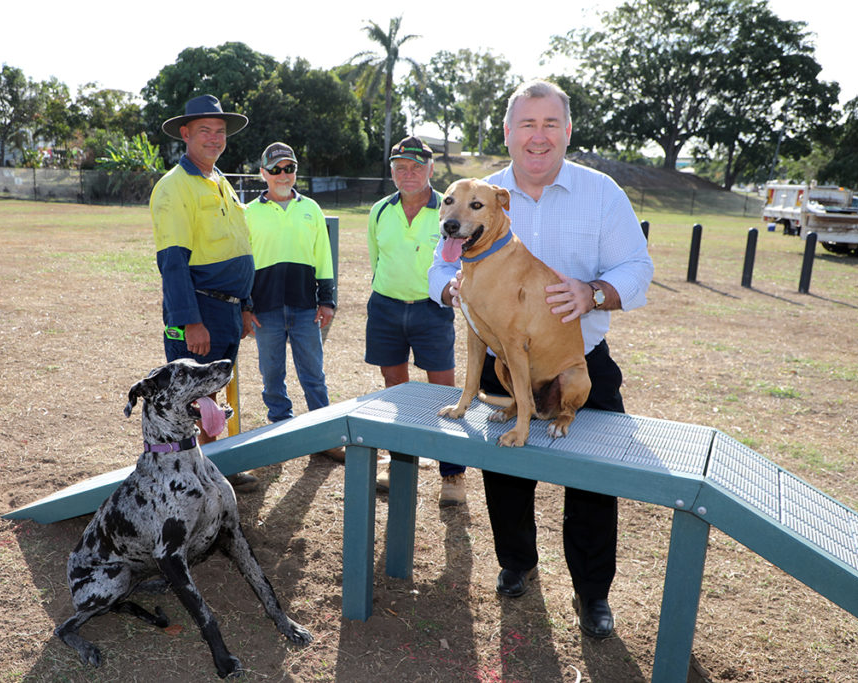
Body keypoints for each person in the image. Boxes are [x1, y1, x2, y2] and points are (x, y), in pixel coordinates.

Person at [428, 79, 654, 639]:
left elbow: (638, 268)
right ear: (508, 133)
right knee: (505, 473)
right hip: (507, 362)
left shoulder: (601, 192)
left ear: (567, 131)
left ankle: (593, 593)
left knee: (595, 484)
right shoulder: (476, 193)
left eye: (550, 124)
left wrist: (593, 292)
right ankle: (516, 564)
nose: (538, 136)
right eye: (526, 124)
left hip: (582, 359)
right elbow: (440, 265)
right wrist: (452, 288)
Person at [149, 94, 259, 492]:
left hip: (227, 311)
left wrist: (245, 305)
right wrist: (190, 321)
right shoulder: (174, 187)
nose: (214, 138)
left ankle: (219, 466)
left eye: (219, 131)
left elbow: (238, 245)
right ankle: (191, 478)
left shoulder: (221, 180)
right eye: (204, 131)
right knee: (194, 398)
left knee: (216, 393)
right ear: (185, 134)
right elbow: (173, 261)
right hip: (201, 310)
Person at [366, 135, 465, 507]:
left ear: (431, 169)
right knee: (394, 388)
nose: (408, 174)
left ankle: (452, 474)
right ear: (391, 170)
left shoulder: (448, 210)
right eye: (400, 167)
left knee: (444, 392)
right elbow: (378, 259)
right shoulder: (379, 210)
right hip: (386, 308)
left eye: (416, 167)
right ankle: (398, 463)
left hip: (431, 309)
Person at [244, 142, 344, 462]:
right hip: (265, 310)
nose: (282, 175)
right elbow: (243, 263)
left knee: (313, 373)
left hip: (304, 308)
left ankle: (324, 434)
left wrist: (326, 301)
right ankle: (281, 427)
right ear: (263, 174)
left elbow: (323, 258)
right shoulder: (248, 213)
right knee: (272, 373)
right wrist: (245, 306)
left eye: (289, 168)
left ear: (295, 172)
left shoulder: (311, 209)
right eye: (275, 169)